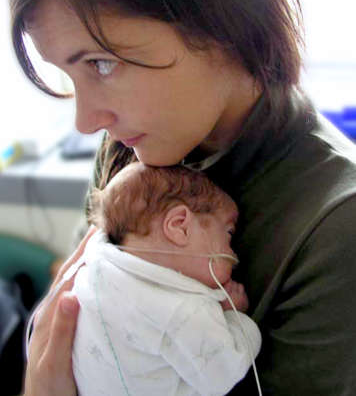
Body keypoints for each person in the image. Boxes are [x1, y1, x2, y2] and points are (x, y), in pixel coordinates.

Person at [8, 0, 356, 395]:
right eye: (70, 74)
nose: (86, 121)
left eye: (102, 63)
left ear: (220, 16)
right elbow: (67, 309)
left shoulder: (335, 229)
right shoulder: (131, 146)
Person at [72, 162, 261, 395]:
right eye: (228, 234)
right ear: (180, 226)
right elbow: (223, 374)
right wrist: (235, 318)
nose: (233, 254)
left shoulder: (95, 269)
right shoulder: (184, 311)